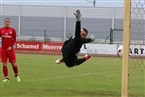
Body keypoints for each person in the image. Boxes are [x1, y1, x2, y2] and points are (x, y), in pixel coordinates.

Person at [0, 18, 21, 82]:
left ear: (10, 22)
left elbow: (14, 39)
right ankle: (7, 78)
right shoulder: (1, 30)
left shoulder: (12, 30)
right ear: (4, 22)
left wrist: (10, 46)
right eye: (6, 21)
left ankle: (16, 75)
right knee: (4, 64)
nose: (7, 22)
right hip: (3, 50)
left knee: (13, 64)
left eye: (8, 21)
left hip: (10, 50)